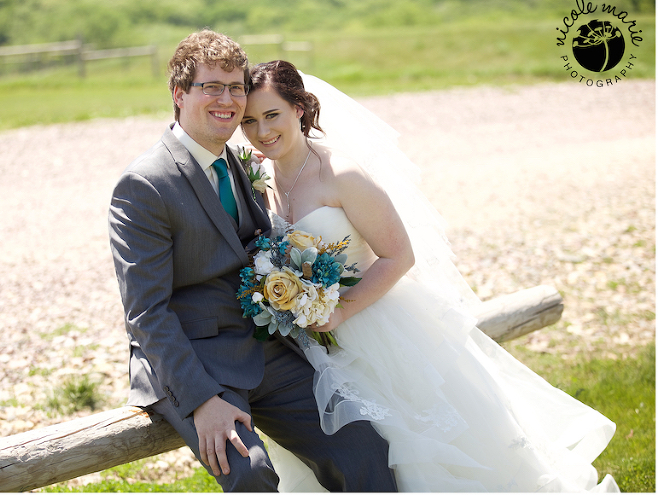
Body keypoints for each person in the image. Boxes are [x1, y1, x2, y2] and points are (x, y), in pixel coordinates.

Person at [239, 59, 620, 492]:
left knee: (419, 448)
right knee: (348, 454)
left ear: (300, 109)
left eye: (272, 115)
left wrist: (340, 313)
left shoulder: (340, 175)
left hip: (376, 327)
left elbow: (399, 256)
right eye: (249, 120)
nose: (261, 131)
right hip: (312, 343)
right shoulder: (258, 175)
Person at [108, 31, 397, 492]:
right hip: (193, 363)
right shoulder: (145, 185)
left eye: (236, 87)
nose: (228, 100)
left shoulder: (238, 163)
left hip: (262, 351)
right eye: (211, 87)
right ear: (179, 95)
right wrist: (202, 401)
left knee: (363, 447)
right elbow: (145, 314)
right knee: (251, 473)